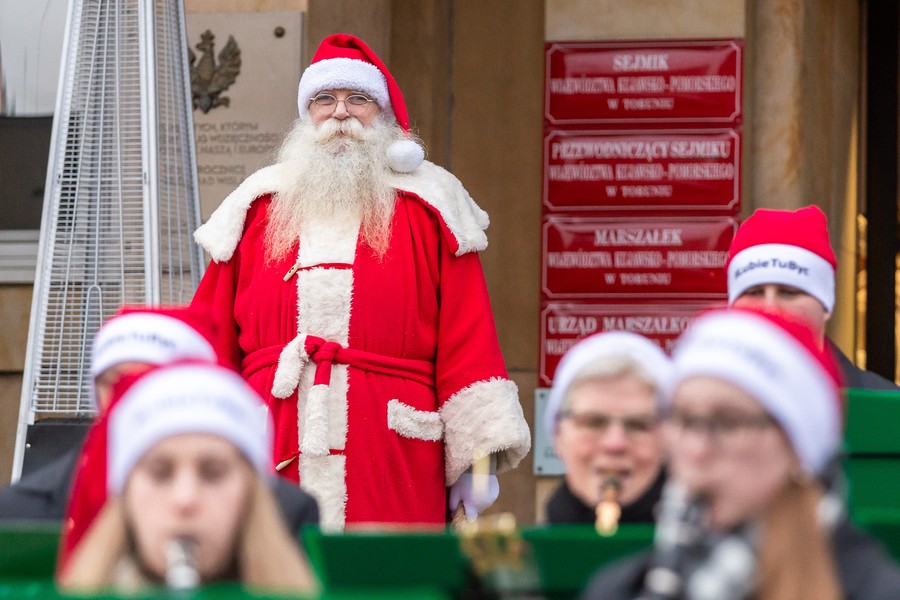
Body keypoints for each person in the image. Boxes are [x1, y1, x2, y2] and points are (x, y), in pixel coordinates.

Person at [191, 33, 530, 529]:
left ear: (384, 114)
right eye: (325, 100)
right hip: (273, 441)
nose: (340, 113)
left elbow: (468, 338)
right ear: (307, 114)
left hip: (392, 450)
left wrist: (475, 460)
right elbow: (210, 336)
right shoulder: (257, 205)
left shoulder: (431, 204)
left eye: (358, 99)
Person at [582, 306, 900, 600]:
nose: (696, 449)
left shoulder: (875, 590)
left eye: (728, 422)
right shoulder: (621, 589)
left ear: (797, 445)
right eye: (681, 419)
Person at [49, 306, 318, 574]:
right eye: (159, 473)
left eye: (213, 473)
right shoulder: (27, 503)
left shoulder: (292, 509)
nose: (185, 498)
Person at [0, 306, 219, 522]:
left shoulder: (231, 508)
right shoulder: (17, 513)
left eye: (149, 381)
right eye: (114, 381)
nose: (130, 398)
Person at [727, 204, 900, 391]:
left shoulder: (885, 408)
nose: (770, 307)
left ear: (825, 305)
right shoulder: (699, 403)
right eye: (754, 292)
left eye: (789, 292)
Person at [543, 331, 672, 525]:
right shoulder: (526, 552)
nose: (615, 444)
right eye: (593, 423)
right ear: (559, 437)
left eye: (638, 425)